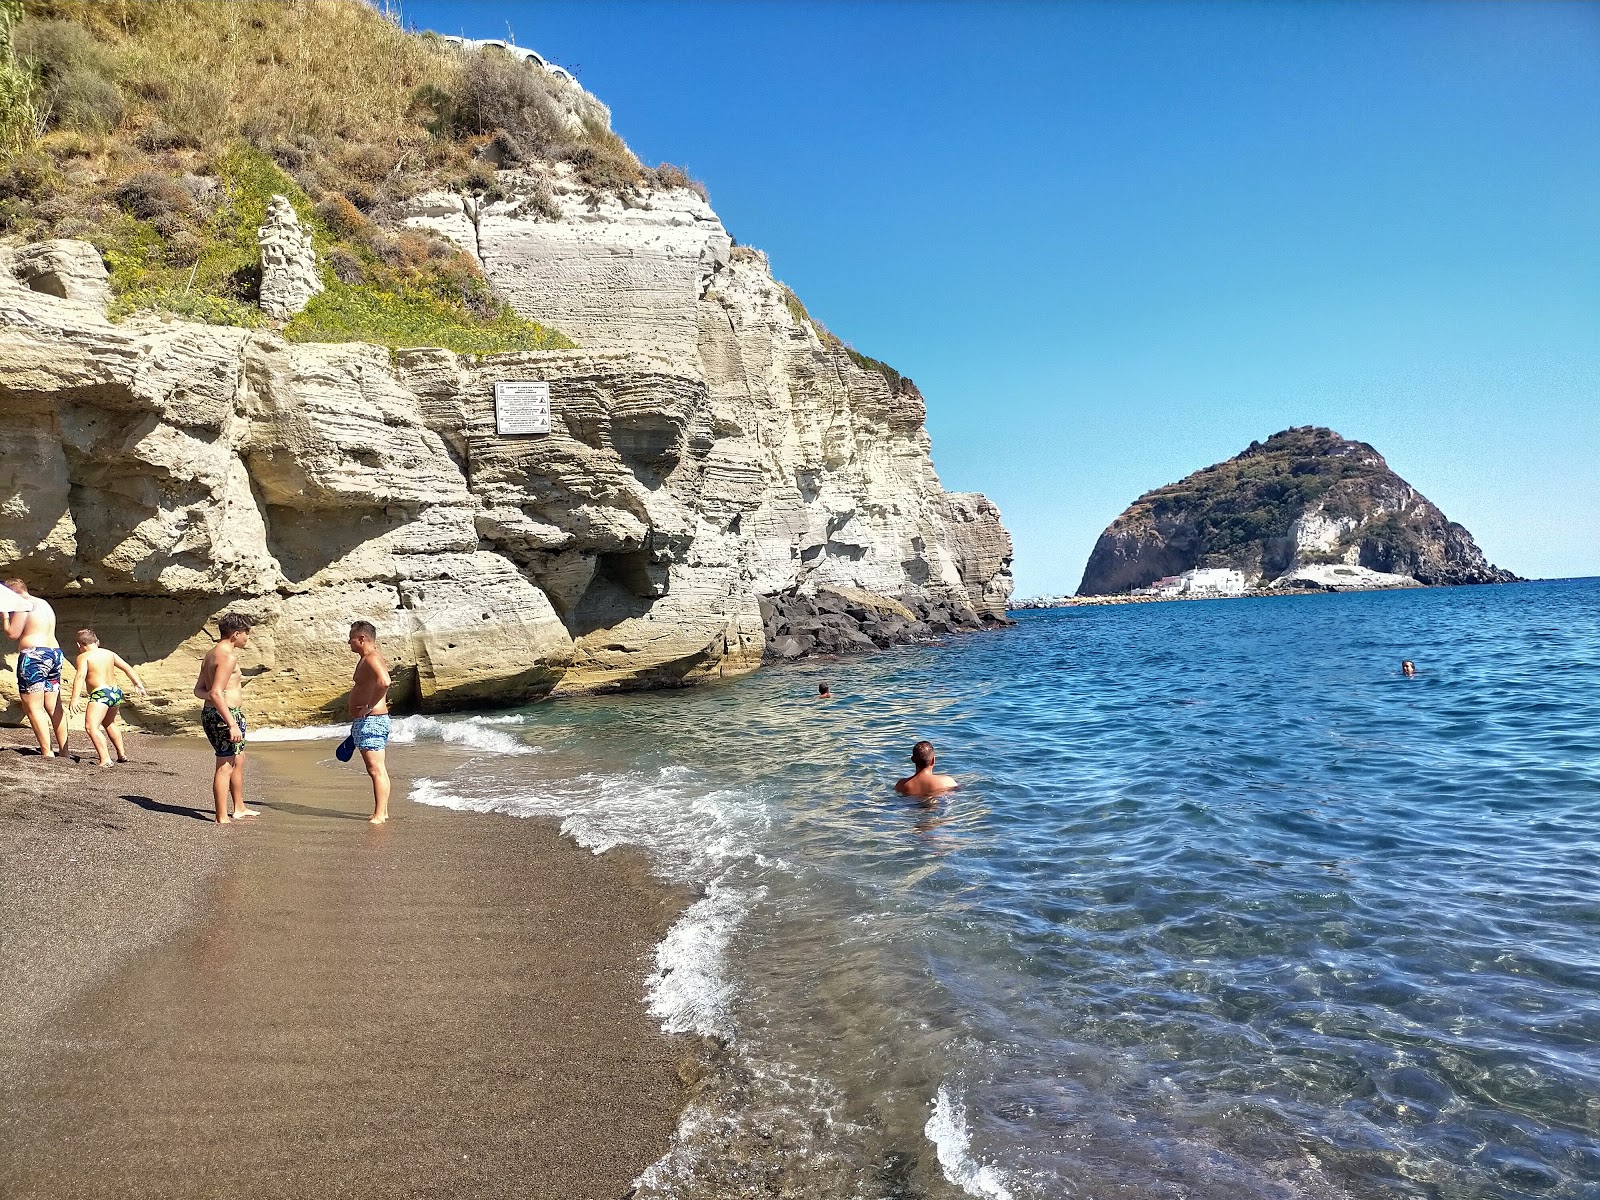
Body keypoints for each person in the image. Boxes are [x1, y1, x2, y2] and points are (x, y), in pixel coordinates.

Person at [193, 613, 259, 824]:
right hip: (225, 717)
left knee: (238, 758)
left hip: (216, 713)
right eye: (246, 633)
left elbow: (199, 690)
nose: (247, 638)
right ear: (236, 634)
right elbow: (214, 692)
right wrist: (231, 722)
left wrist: (216, 698)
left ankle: (239, 807)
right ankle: (221, 816)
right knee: (225, 764)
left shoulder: (210, 654)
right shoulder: (228, 656)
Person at [4, 577, 67, 758]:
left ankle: (47, 752)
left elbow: (12, 634)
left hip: (35, 657)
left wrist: (6, 616)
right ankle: (65, 751)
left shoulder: (23, 604)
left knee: (33, 707)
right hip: (54, 654)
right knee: (54, 706)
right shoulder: (43, 603)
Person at [68, 629, 146, 768]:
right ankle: (121, 754)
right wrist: (137, 683)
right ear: (97, 642)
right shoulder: (109, 654)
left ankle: (105, 759)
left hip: (101, 693)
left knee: (91, 727)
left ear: (79, 645)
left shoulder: (84, 657)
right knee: (109, 723)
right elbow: (127, 668)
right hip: (115, 692)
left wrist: (75, 698)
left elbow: (80, 676)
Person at [347, 621, 393, 824]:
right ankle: (382, 812)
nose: (348, 642)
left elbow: (385, 681)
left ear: (361, 639)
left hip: (371, 721)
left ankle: (379, 814)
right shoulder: (367, 658)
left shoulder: (372, 657)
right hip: (369, 721)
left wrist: (369, 706)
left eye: (351, 638)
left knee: (375, 769)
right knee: (376, 768)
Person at [894, 740, 959, 799]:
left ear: (912, 760)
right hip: (937, 809)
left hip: (912, 809)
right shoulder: (947, 782)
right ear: (933, 760)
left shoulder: (901, 785)